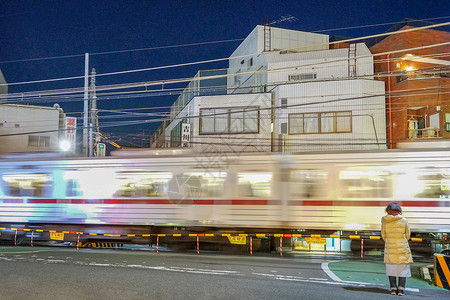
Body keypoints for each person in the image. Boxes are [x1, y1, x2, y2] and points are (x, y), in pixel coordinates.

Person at [381, 202, 413, 296]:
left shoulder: (384, 220)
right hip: (402, 248)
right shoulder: (404, 220)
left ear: (388, 210)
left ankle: (393, 289)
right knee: (402, 269)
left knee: (392, 268)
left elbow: (383, 235)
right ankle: (401, 289)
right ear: (399, 210)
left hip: (390, 248)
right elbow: (408, 235)